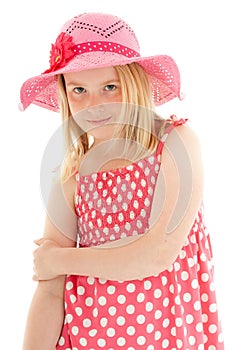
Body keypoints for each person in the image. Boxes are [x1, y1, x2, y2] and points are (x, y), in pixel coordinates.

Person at [19, 12, 224, 350]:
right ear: (65, 95)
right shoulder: (72, 177)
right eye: (79, 90)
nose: (93, 105)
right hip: (90, 340)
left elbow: (158, 253)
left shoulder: (175, 145)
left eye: (109, 87)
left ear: (135, 83)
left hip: (170, 337)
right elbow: (50, 290)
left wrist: (57, 259)